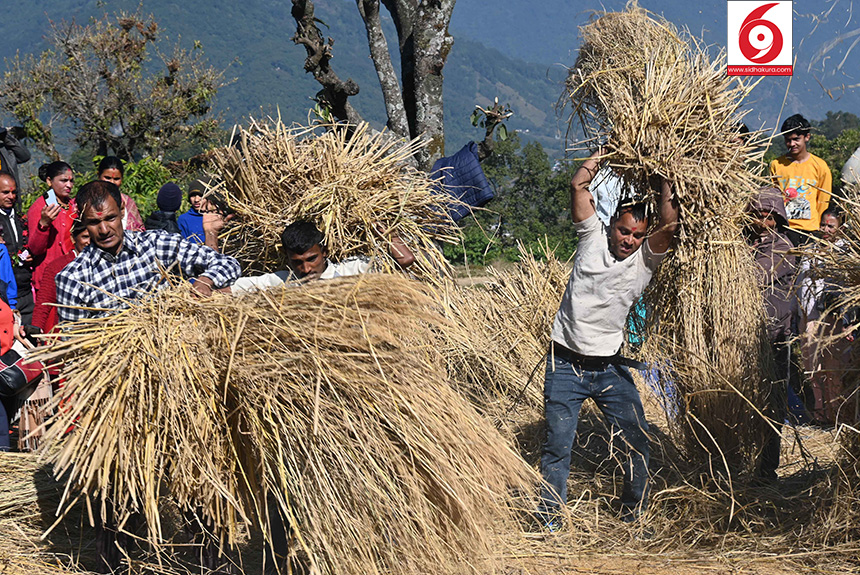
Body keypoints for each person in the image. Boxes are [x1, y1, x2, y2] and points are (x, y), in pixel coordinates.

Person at [535, 148, 679, 528]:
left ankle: (632, 514)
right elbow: (578, 185)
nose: (628, 240)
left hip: (609, 369)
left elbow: (668, 226)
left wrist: (665, 178)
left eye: (636, 235)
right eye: (623, 230)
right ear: (611, 224)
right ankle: (549, 521)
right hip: (564, 363)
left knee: (636, 440)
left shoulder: (645, 261)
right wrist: (603, 155)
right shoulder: (590, 239)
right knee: (557, 446)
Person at [55, 181, 240, 324]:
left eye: (110, 218)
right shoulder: (73, 279)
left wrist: (205, 281)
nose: (104, 230)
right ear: (82, 221)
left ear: (121, 211)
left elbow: (227, 264)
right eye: (94, 222)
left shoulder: (156, 245)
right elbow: (74, 350)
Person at [746, 186, 796, 481]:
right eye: (754, 212)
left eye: (764, 212)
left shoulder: (782, 247)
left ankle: (766, 470)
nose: (758, 217)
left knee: (771, 404)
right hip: (748, 338)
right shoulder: (747, 243)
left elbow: (752, 277)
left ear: (776, 216)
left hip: (775, 338)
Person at [229, 221, 415, 294]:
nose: (306, 269)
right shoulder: (281, 281)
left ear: (324, 252)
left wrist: (391, 236)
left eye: (312, 259)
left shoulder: (352, 270)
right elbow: (230, 290)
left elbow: (404, 261)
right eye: (297, 262)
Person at [797, 206, 850, 425]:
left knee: (834, 369)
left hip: (834, 318)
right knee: (813, 368)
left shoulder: (846, 253)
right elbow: (801, 282)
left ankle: (838, 416)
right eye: (823, 224)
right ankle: (821, 414)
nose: (825, 229)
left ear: (841, 227)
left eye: (831, 226)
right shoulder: (810, 250)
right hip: (810, 318)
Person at [769, 114, 832, 246]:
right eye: (788, 140)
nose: (792, 144)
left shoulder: (820, 166)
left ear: (807, 137)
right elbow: (773, 197)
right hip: (785, 230)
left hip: (810, 231)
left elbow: (823, 200)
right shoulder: (777, 165)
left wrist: (817, 225)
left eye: (796, 139)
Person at [27, 161, 77, 295]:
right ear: (49, 181)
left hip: (71, 274)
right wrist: (43, 224)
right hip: (48, 277)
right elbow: (35, 249)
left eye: (71, 181)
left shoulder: (73, 206)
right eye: (63, 180)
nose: (69, 185)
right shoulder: (39, 208)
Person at [32, 221, 90, 333]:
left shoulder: (102, 263)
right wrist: (35, 328)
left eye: (93, 237)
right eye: (85, 237)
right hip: (66, 332)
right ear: (73, 238)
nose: (89, 242)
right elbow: (44, 303)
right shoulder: (57, 267)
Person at [0, 173, 32, 323]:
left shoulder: (21, 219)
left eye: (14, 192)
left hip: (26, 290)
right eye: (5, 192)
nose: (11, 196)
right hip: (4, 295)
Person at [96, 156, 145, 232]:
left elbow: (140, 230)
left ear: (122, 179)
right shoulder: (87, 199)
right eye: (107, 178)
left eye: (116, 179)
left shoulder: (128, 202)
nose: (112, 182)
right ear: (98, 175)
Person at [177, 178, 210, 244]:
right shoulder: (184, 219)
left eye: (201, 195)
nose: (196, 200)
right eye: (193, 195)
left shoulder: (218, 217)